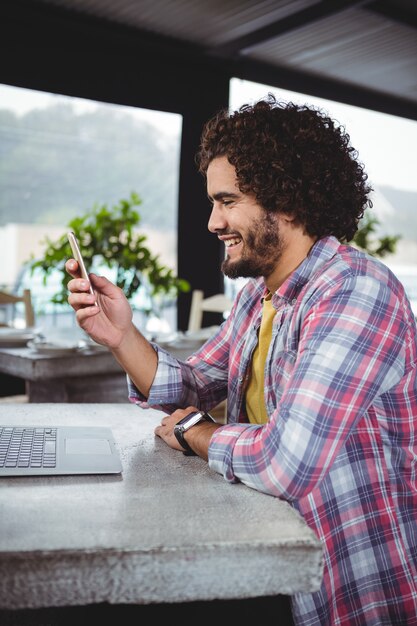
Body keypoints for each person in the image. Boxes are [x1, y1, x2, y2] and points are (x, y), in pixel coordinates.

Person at [66, 94, 417, 626]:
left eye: (227, 201)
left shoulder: (356, 292)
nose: (212, 222)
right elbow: (192, 384)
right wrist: (121, 335)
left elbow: (285, 462)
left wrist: (196, 435)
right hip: (268, 556)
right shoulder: (259, 296)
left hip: (346, 586)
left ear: (289, 199)